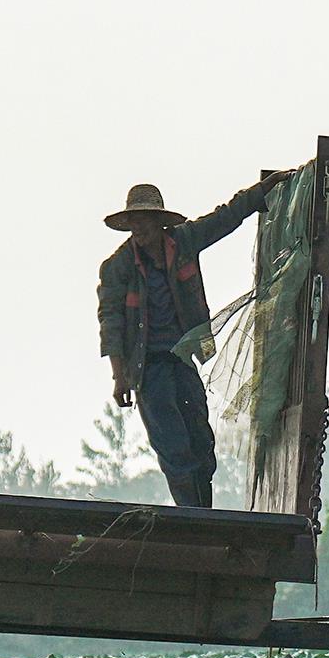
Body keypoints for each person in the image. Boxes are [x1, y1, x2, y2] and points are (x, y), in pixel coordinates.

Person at [100, 170, 285, 509]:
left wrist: (261, 192)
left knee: (200, 442)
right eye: (133, 222)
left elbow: (225, 217)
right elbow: (110, 324)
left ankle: (203, 513)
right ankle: (192, 517)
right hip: (148, 368)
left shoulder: (183, 242)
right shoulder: (117, 267)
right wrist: (119, 376)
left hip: (184, 359)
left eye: (144, 221)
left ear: (159, 222)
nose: (138, 229)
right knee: (173, 447)